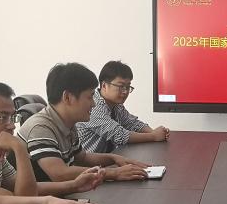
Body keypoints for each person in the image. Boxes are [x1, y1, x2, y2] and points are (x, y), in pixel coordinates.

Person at [16, 63, 148, 183]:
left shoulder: (68, 123)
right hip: (41, 200)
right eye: (90, 97)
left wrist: (114, 158)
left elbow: (82, 158)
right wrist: (113, 173)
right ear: (67, 97)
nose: (94, 103)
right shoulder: (40, 127)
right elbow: (59, 174)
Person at [77, 61, 169, 154]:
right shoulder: (94, 106)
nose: (125, 92)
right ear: (104, 85)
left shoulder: (116, 105)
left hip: (105, 159)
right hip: (84, 162)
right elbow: (119, 135)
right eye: (121, 86)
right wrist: (154, 136)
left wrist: (154, 132)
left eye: (128, 87)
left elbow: (132, 123)